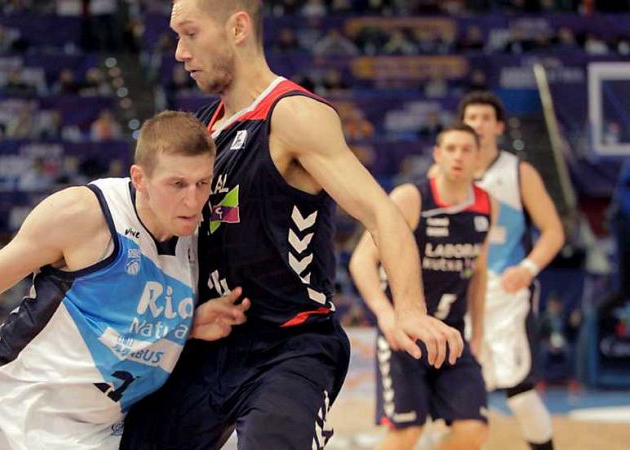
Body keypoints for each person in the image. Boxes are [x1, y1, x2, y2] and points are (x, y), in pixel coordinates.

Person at [121, 2, 464, 449]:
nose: (179, 52)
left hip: (289, 346)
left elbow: (382, 213)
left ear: (238, 27)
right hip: (209, 343)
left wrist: (410, 309)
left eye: (189, 34)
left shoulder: (293, 116)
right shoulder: (201, 130)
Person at [0, 111, 250, 449]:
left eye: (202, 183)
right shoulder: (86, 213)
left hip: (94, 436)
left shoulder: (200, 237)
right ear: (139, 178)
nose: (193, 199)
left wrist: (187, 325)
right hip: (5, 418)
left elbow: (125, 317)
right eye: (177, 184)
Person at [351, 124, 495, 450]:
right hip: (405, 337)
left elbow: (480, 273)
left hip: (451, 335)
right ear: (438, 155)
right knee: (405, 434)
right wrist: (386, 316)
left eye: (466, 150)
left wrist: (479, 334)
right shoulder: (412, 198)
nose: (458, 156)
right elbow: (361, 261)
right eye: (451, 149)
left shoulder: (487, 205)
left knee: (474, 429)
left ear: (479, 159)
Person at [459, 91, 565, 450]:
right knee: (463, 384)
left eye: (486, 118)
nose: (479, 124)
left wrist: (529, 267)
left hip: (506, 289)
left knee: (518, 388)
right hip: (460, 290)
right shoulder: (445, 172)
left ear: (499, 127)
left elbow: (554, 231)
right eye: (472, 117)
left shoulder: (519, 172)